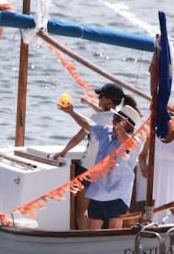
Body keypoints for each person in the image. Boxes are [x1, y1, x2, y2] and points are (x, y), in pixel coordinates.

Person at [58, 99, 142, 230]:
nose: (115, 121)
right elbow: (87, 124)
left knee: (115, 227)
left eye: (119, 119)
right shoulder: (106, 131)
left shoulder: (136, 140)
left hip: (119, 192)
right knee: (93, 227)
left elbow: (128, 145)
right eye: (115, 117)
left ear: (129, 126)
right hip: (99, 189)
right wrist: (71, 112)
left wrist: (120, 132)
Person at [52, 83, 126, 230]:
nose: (98, 98)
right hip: (109, 172)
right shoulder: (122, 120)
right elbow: (105, 114)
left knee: (82, 209)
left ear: (107, 100)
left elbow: (77, 138)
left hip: (89, 169)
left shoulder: (95, 119)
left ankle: (83, 238)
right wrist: (90, 104)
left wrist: (63, 152)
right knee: (108, 211)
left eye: (101, 97)